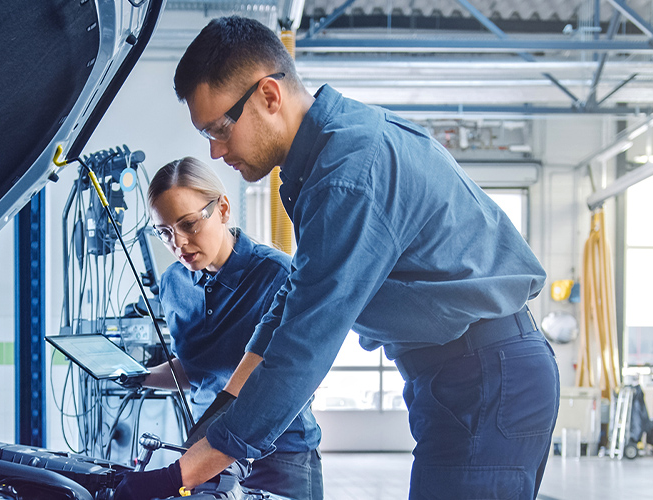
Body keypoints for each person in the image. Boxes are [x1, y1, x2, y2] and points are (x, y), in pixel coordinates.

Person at [115, 16, 557, 500]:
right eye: (207, 136)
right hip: (460, 373)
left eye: (221, 128)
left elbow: (307, 341)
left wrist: (186, 469)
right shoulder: (327, 159)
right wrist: (223, 406)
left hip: (485, 374)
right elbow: (293, 300)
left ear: (268, 96)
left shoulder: (349, 174)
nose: (217, 152)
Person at [132, 156, 322, 500]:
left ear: (222, 209)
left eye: (189, 225)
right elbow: (197, 368)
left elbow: (290, 376)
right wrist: (137, 376)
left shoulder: (277, 274)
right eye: (164, 233)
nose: (179, 245)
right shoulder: (173, 283)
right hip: (208, 449)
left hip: (278, 454)